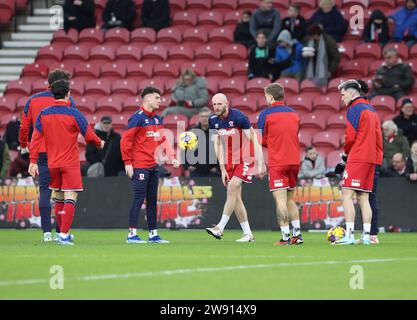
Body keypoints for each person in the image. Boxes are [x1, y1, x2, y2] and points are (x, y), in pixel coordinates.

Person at [28, 80, 104, 245]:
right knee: (71, 196)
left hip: (52, 163)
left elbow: (35, 139)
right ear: (68, 93)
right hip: (69, 163)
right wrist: (99, 143)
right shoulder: (74, 113)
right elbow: (89, 136)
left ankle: (61, 234)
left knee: (59, 198)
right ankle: (63, 235)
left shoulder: (44, 113)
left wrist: (33, 160)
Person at [19, 69, 76, 242]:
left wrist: (24, 146)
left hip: (41, 151)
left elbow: (24, 126)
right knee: (61, 191)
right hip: (61, 152)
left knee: (45, 190)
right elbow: (73, 124)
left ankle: (46, 233)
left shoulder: (33, 100)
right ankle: (61, 232)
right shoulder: (68, 100)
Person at [121, 87, 180, 244]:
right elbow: (125, 141)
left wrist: (172, 157)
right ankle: (131, 234)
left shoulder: (157, 119)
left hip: (153, 166)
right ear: (147, 99)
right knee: (138, 198)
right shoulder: (137, 118)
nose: (160, 100)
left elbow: (163, 140)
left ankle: (153, 234)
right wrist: (128, 163)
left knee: (152, 200)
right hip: (139, 166)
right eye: (156, 98)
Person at [205, 93, 264, 243]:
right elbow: (217, 145)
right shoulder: (212, 120)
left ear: (227, 103)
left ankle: (220, 228)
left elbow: (254, 139)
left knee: (232, 188)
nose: (216, 107)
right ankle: (248, 234)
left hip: (246, 158)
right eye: (214, 105)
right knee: (236, 197)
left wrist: (261, 162)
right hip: (230, 161)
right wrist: (223, 169)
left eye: (219, 104)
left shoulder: (239, 117)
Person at [334, 80, 383, 245]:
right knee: (364, 197)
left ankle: (348, 235)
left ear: (351, 92)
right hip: (372, 159)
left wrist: (346, 155)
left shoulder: (355, 108)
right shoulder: (372, 110)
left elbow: (350, 137)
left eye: (342, 94)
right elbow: (378, 138)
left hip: (358, 157)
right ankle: (367, 236)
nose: (342, 98)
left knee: (347, 194)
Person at [257, 83, 303, 245]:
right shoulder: (294, 114)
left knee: (280, 201)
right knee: (290, 199)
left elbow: (260, 139)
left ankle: (285, 237)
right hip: (294, 161)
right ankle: (297, 235)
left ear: (270, 96)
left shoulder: (265, 114)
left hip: (278, 162)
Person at [183, 107, 220, 177]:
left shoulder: (216, 132)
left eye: (207, 116)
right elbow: (185, 150)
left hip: (212, 172)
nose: (204, 118)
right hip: (195, 171)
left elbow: (222, 151)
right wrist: (187, 166)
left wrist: (217, 168)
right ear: (199, 118)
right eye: (202, 116)